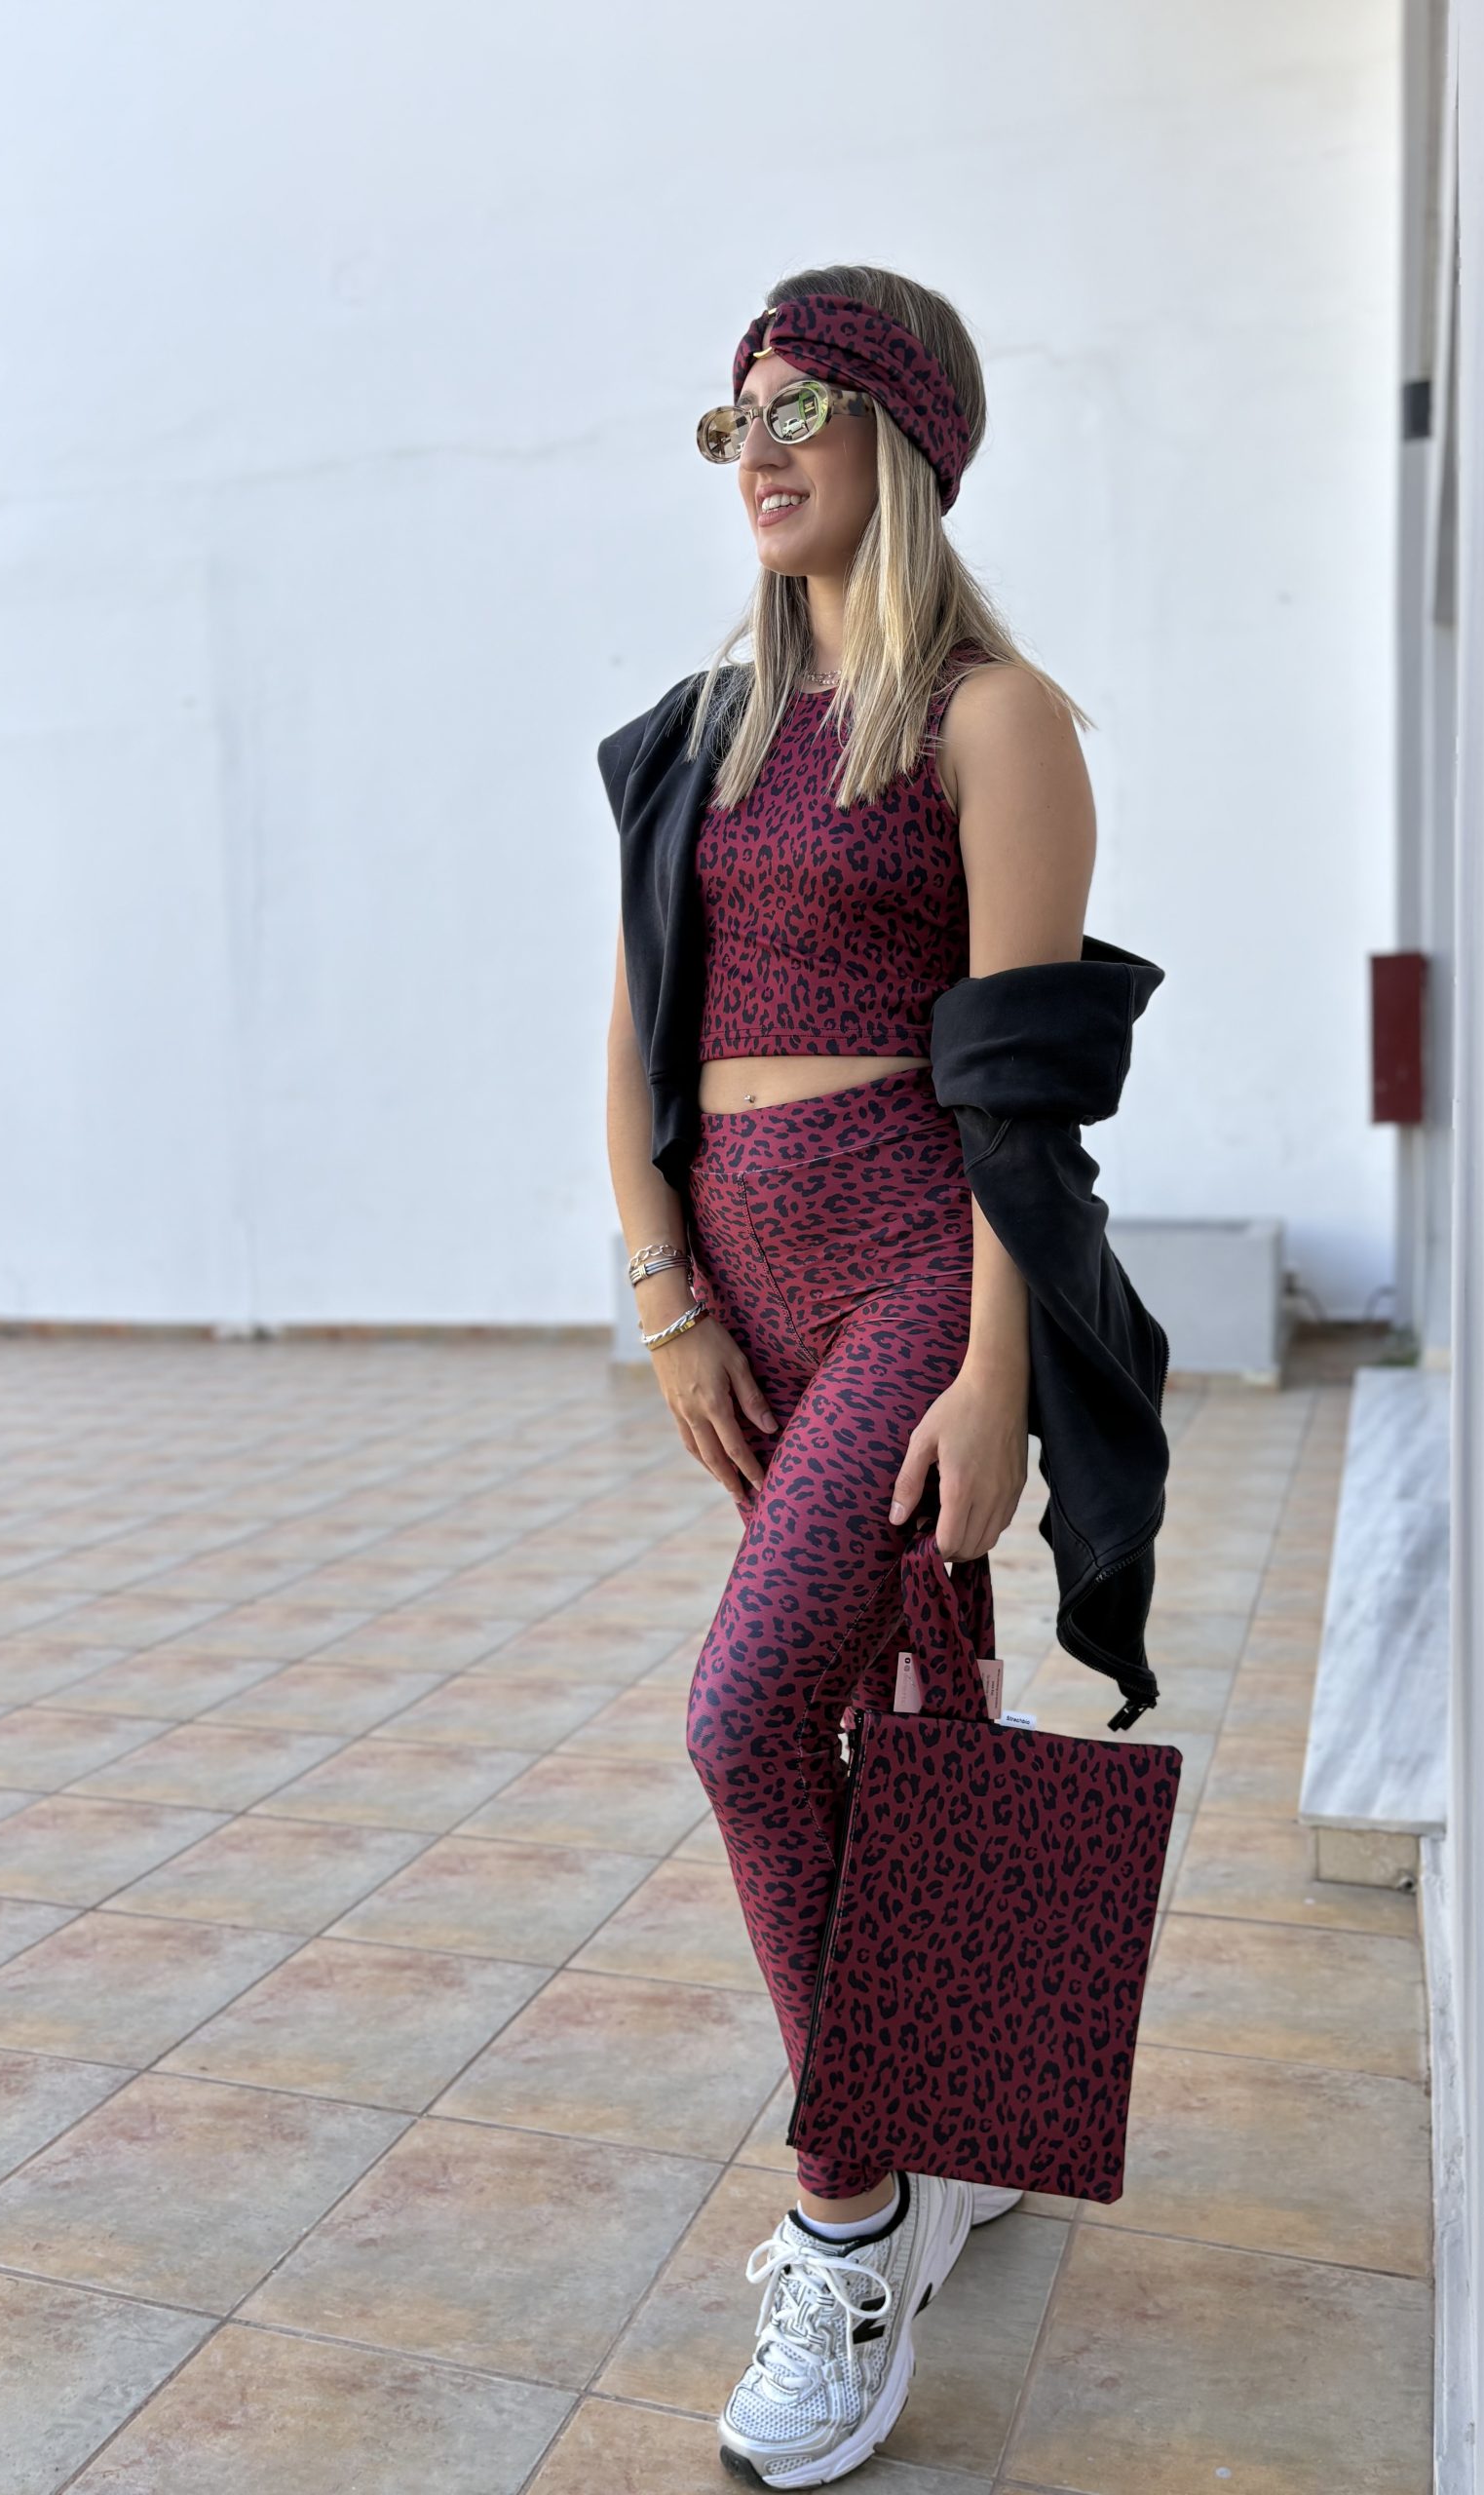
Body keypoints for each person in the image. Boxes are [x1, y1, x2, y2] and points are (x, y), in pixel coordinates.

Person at [601, 265, 1105, 2489]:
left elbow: (1022, 1090)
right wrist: (666, 1294)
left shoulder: (997, 718)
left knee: (742, 1719)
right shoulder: (707, 729)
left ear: (902, 433)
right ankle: (974, 2110)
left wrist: (997, 1368)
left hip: (913, 1256)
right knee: (910, 1681)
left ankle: (855, 2205)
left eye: (800, 404)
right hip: (746, 1287)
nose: (760, 449)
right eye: (735, 417)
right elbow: (636, 1028)